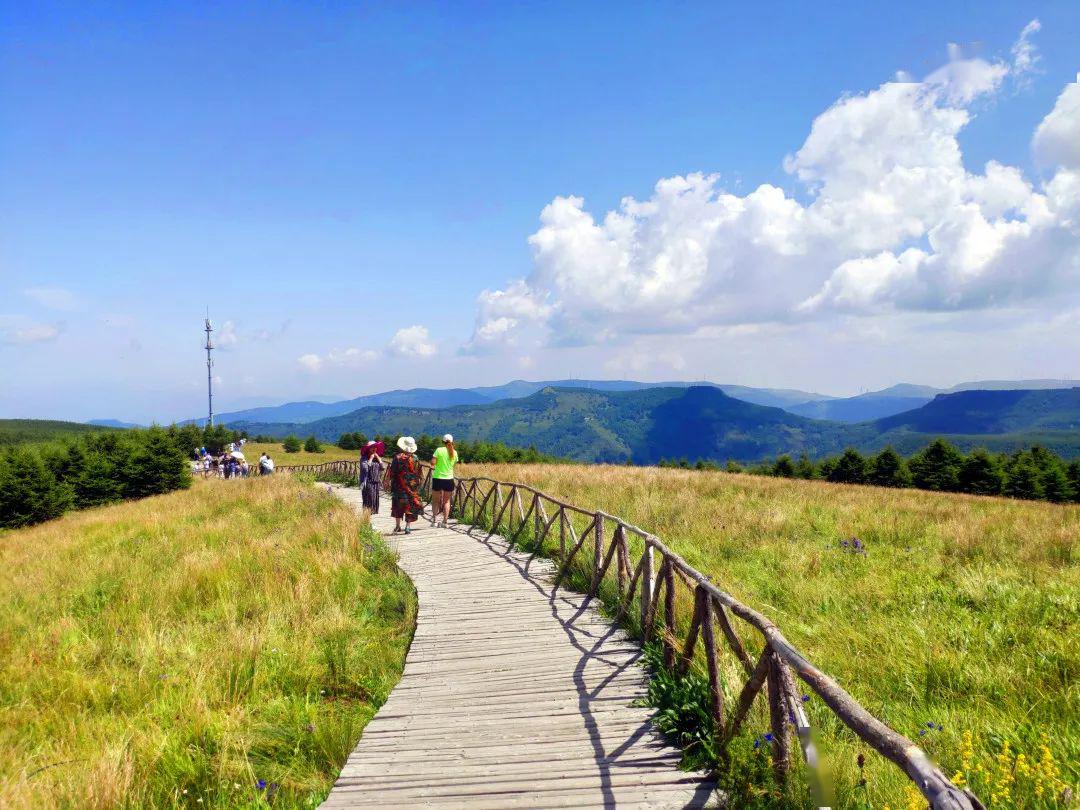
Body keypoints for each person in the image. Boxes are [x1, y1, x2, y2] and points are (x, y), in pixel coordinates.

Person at [389, 436, 422, 534]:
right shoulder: (415, 458)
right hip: (412, 486)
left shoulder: (398, 457)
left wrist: (390, 481)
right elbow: (418, 472)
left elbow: (392, 472)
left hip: (399, 485)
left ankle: (398, 526)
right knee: (410, 505)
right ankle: (407, 527)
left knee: (398, 505)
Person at [430, 433, 458, 528]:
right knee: (447, 501)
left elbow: (433, 463)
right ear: (452, 442)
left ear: (443, 441)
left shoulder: (439, 450)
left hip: (438, 478)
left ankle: (434, 520)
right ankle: (445, 522)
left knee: (435, 500)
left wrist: (434, 464)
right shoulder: (454, 452)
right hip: (449, 479)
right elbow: (453, 464)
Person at [359, 441, 384, 513]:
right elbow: (365, 468)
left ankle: (370, 516)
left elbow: (383, 468)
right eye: (372, 447)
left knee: (374, 500)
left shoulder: (377, 458)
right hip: (367, 482)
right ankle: (366, 517)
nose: (374, 449)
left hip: (376, 483)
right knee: (368, 499)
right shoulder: (364, 458)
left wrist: (379, 459)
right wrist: (370, 459)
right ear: (368, 448)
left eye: (375, 447)